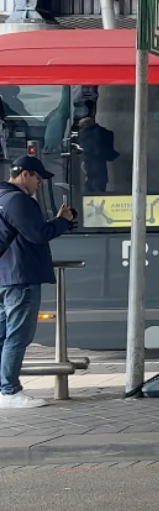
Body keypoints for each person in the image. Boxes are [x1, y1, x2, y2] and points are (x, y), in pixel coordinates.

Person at [0, 156, 74, 409]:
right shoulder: (18, 200)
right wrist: (62, 220)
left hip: (5, 275)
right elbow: (37, 234)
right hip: (22, 276)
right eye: (38, 178)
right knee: (18, 336)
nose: (40, 184)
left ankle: (4, 388)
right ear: (24, 174)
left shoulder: (1, 197)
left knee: (3, 335)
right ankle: (9, 391)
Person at [72, 116, 117, 193]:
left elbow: (93, 148)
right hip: (96, 160)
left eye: (82, 126)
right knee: (97, 180)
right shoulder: (100, 131)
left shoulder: (89, 133)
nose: (80, 128)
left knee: (95, 181)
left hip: (93, 160)